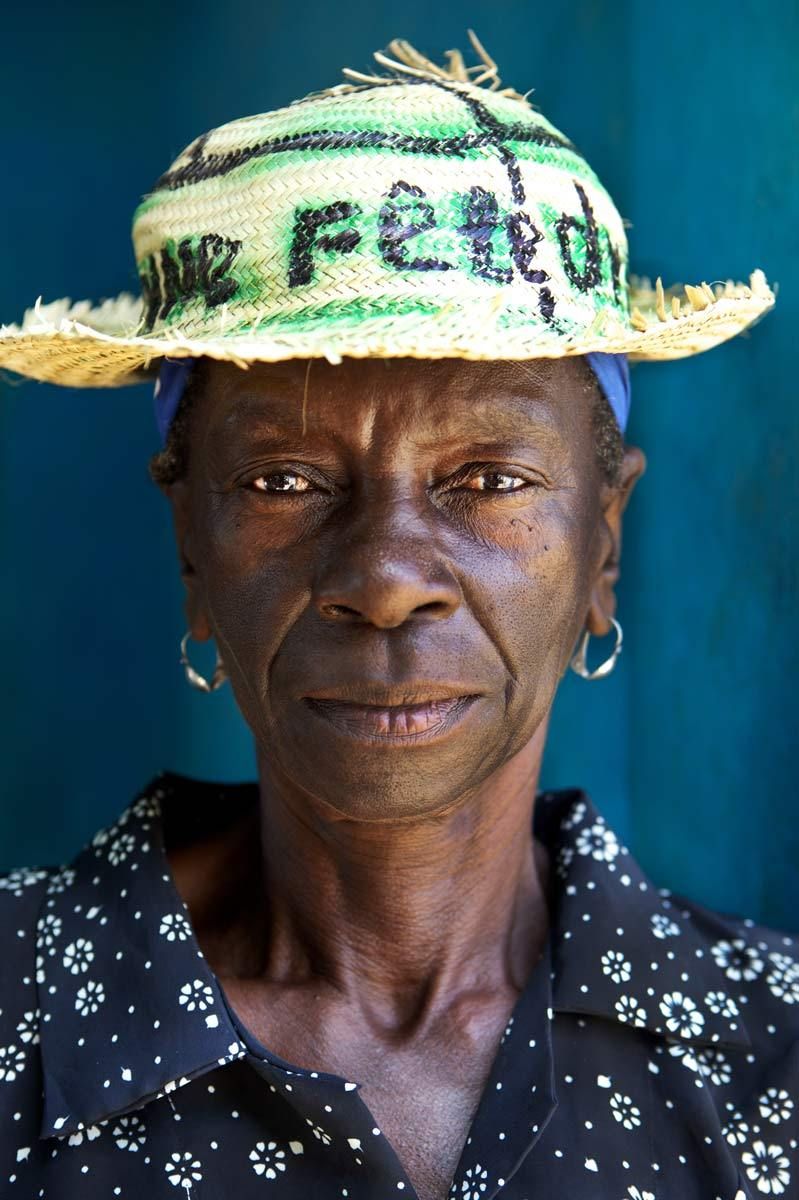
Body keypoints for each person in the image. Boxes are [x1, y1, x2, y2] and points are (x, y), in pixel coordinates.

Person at [0, 33, 792, 1200]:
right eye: (282, 482)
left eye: (489, 479)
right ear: (191, 549)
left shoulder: (769, 1052)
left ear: (603, 547)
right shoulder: (26, 1017)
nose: (384, 578)